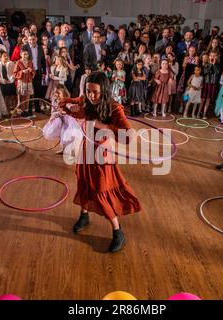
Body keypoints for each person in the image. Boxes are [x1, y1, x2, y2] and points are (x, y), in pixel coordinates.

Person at [58, 71, 142, 253]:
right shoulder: (86, 100)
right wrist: (66, 106)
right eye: (88, 91)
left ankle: (117, 231)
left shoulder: (114, 108)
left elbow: (128, 136)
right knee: (83, 181)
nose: (91, 95)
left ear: (104, 91)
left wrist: (100, 125)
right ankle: (84, 214)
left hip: (103, 154)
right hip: (87, 149)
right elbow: (72, 103)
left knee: (100, 189)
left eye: (95, 92)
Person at [13, 49, 35, 117]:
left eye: (27, 54)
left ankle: (26, 110)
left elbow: (33, 71)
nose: (25, 56)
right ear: (20, 54)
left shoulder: (30, 62)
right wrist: (22, 72)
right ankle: (22, 111)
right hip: (22, 81)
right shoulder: (18, 62)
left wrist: (31, 70)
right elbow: (15, 73)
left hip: (29, 81)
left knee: (28, 97)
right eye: (24, 54)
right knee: (22, 97)